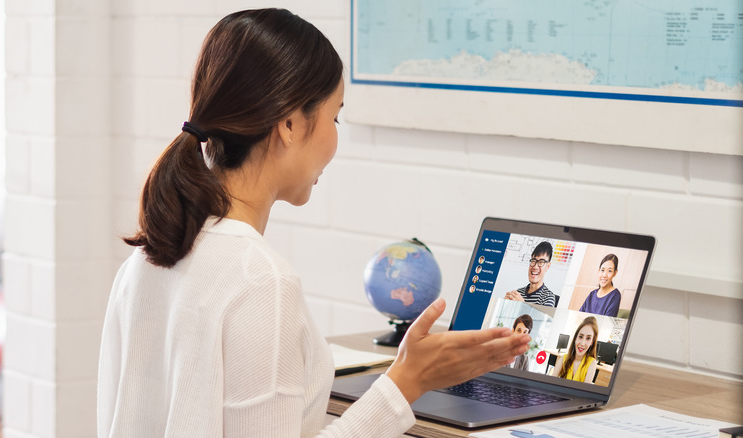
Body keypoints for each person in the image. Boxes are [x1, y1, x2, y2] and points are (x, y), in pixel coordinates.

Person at [96, 9, 530, 438]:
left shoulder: (145, 262)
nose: (334, 137)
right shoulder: (259, 280)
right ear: (288, 123)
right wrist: (406, 382)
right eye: (334, 116)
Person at [504, 241, 557, 307]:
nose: (535, 267)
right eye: (533, 261)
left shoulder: (548, 298)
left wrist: (521, 303)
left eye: (541, 262)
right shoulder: (518, 293)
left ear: (548, 266)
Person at [552, 316, 599, 383]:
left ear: (592, 342)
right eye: (580, 337)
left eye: (588, 338)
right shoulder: (563, 359)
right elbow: (551, 382)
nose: (582, 343)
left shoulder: (592, 363)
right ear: (575, 338)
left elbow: (584, 392)